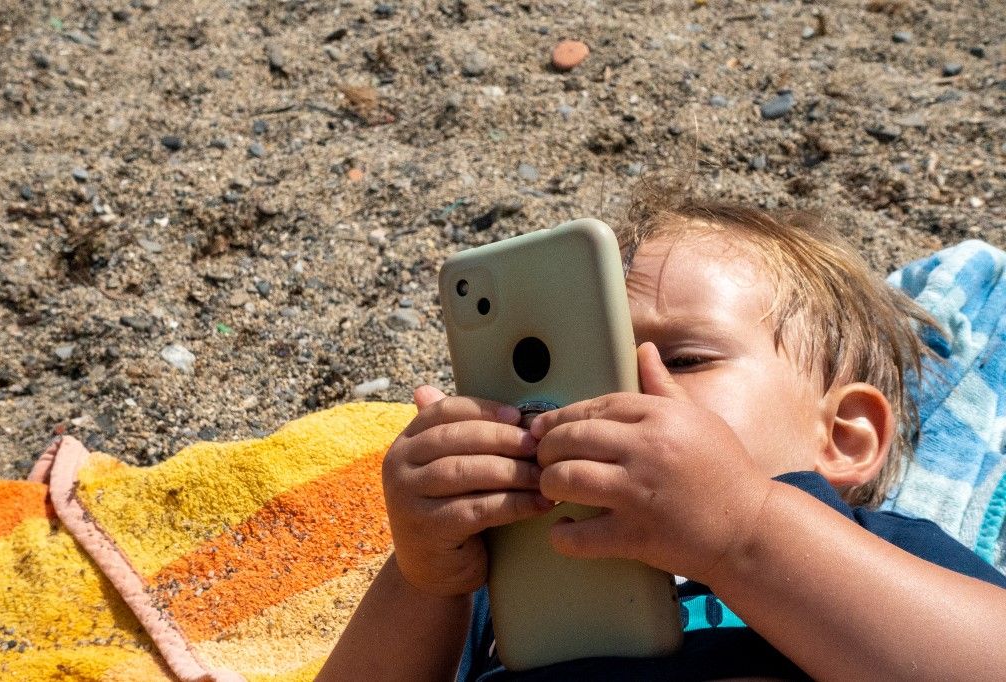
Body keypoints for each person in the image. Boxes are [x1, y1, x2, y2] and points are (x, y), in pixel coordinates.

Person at [318, 187, 1006, 681]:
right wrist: (424, 576)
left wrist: (745, 529)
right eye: (593, 361)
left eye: (681, 359)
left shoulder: (867, 552)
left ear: (846, 438)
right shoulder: (511, 570)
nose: (621, 390)